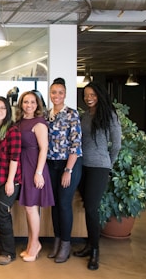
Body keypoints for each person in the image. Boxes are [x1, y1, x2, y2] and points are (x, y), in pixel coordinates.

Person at [74, 82, 121, 270]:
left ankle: (95, 251)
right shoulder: (85, 115)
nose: (89, 98)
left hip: (99, 167)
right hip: (82, 166)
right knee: (87, 206)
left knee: (92, 208)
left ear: (100, 95)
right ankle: (88, 245)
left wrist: (107, 164)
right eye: (86, 95)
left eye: (92, 94)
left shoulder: (110, 115)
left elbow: (116, 145)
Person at [46, 78, 83, 263]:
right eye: (54, 92)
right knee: (54, 204)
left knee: (64, 203)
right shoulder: (47, 115)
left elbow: (76, 145)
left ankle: (66, 244)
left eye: (60, 92)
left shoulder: (72, 114)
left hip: (69, 164)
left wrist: (68, 170)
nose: (57, 95)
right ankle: (57, 240)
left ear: (65, 94)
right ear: (50, 94)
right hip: (51, 164)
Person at [16, 90, 54, 262]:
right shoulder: (20, 121)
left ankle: (35, 244)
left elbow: (44, 148)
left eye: (32, 102)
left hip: (33, 166)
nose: (29, 105)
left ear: (37, 104)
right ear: (21, 104)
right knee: (27, 208)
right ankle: (32, 243)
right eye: (25, 102)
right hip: (23, 164)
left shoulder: (39, 123)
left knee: (31, 208)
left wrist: (38, 172)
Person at [0, 96, 22, 266]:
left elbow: (15, 158)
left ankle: (8, 252)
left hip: (9, 180)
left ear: (8, 111)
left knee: (2, 213)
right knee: (0, 214)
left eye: (2, 108)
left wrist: (10, 181)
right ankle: (2, 245)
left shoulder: (12, 130)